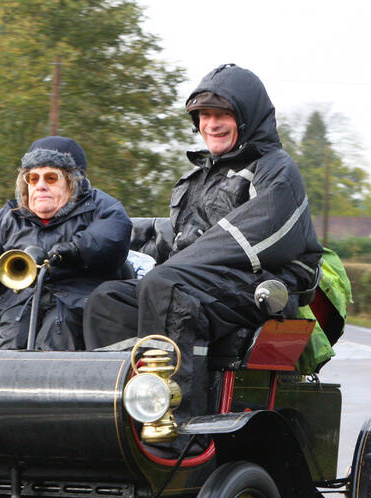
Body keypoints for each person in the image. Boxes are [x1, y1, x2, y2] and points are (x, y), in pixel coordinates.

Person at [83, 63, 325, 422]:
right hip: (198, 285)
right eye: (204, 115)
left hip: (258, 290)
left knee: (165, 287)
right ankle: (119, 417)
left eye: (222, 114)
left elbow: (251, 238)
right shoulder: (194, 180)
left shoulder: (275, 170)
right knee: (107, 300)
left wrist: (170, 271)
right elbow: (178, 242)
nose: (211, 124)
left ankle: (175, 422)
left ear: (247, 118)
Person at [0, 136, 131, 350]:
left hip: (77, 301)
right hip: (20, 303)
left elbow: (111, 237)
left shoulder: (102, 207)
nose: (40, 186)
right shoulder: (8, 216)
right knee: (5, 341)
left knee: (56, 338)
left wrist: (75, 250)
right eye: (33, 178)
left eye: (50, 178)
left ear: (72, 182)